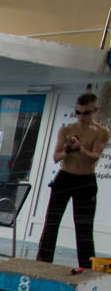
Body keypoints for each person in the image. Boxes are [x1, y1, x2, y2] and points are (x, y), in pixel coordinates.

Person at [36, 92, 110, 268]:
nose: (81, 117)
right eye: (78, 112)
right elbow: (56, 156)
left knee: (84, 227)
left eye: (86, 113)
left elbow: (94, 157)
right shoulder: (67, 130)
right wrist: (69, 150)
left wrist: (80, 148)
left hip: (86, 181)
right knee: (52, 223)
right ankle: (43, 264)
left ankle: (86, 267)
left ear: (95, 111)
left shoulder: (102, 132)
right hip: (65, 178)